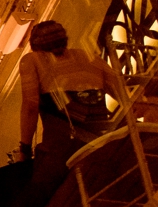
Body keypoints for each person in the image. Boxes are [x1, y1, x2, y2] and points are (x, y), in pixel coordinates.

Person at [18, 19, 125, 165]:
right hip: (103, 140)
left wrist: (24, 149)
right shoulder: (88, 56)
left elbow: (30, 106)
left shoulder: (32, 60)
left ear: (35, 45)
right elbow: (123, 94)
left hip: (65, 146)